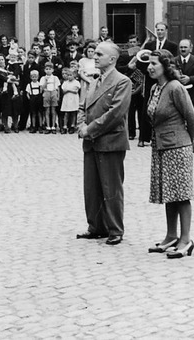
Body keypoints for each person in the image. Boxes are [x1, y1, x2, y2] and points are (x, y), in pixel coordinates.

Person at [76, 42, 131, 245]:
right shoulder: (94, 81)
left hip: (110, 141)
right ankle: (96, 226)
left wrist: (89, 129)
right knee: (91, 188)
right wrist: (81, 124)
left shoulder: (122, 81)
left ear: (112, 59)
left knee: (111, 187)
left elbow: (115, 113)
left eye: (100, 54)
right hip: (91, 142)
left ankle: (115, 228)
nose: (95, 57)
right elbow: (83, 106)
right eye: (95, 53)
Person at [145, 50, 194, 259]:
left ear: (165, 66)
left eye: (154, 64)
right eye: (149, 63)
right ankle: (171, 236)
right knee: (169, 192)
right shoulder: (155, 88)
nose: (150, 67)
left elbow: (192, 118)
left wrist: (189, 141)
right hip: (160, 146)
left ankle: (186, 240)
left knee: (181, 194)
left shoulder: (176, 87)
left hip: (178, 146)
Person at [173, 39, 194, 146]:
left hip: (193, 93)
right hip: (177, 94)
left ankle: (193, 139)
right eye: (181, 47)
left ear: (191, 48)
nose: (183, 49)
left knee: (192, 117)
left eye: (185, 47)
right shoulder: (174, 60)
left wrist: (190, 79)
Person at [40, 62, 60, 134]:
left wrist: (58, 96)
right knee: (47, 110)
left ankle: (53, 126)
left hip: (53, 93)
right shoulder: (43, 78)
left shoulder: (55, 78)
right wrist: (46, 80)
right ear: (44, 70)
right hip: (46, 92)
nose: (48, 70)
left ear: (53, 70)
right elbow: (42, 88)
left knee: (53, 111)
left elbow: (58, 88)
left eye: (50, 69)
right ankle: (48, 126)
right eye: (46, 69)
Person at [60, 68, 81, 134]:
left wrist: (69, 90)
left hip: (73, 99)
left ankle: (72, 126)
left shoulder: (76, 82)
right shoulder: (65, 83)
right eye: (68, 75)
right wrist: (71, 90)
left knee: (73, 113)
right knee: (66, 113)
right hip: (67, 99)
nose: (69, 76)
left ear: (74, 75)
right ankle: (65, 126)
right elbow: (64, 91)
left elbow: (76, 91)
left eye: (70, 75)